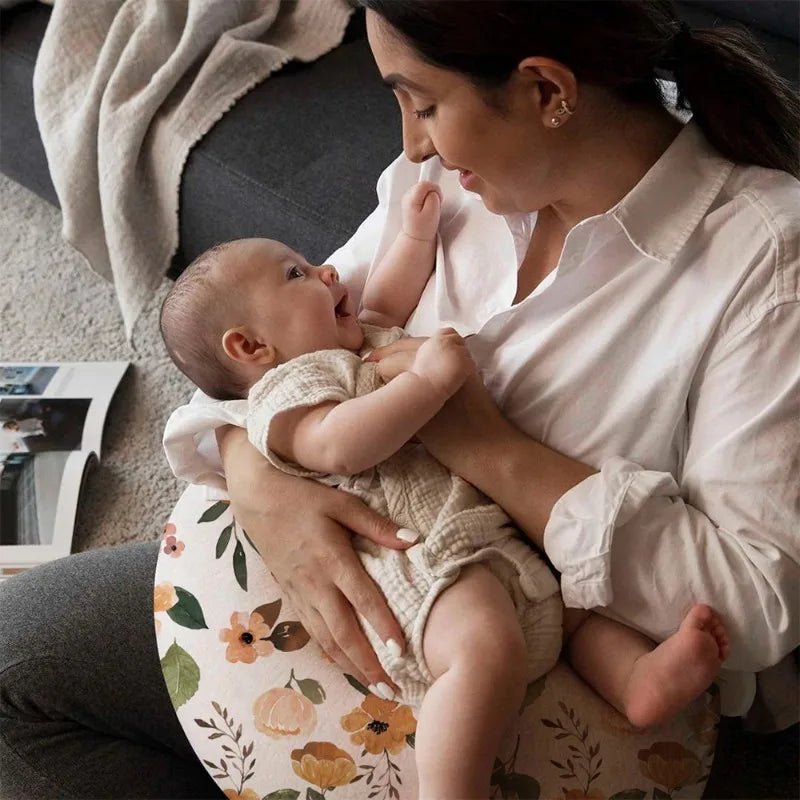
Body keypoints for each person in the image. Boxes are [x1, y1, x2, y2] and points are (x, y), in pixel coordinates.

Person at [0, 2, 797, 798]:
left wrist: (486, 446)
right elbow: (287, 337)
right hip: (345, 582)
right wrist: (259, 477)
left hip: (535, 657)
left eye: (422, 104)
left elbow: (752, 602)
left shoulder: (765, 261)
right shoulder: (439, 182)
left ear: (546, 89)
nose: (412, 143)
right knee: (14, 666)